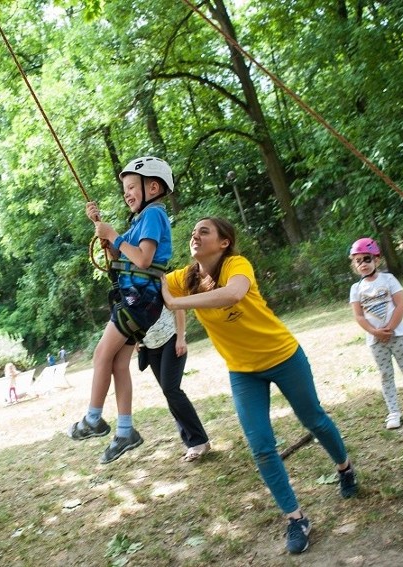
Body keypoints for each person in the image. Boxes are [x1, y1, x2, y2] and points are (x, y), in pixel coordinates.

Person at [161, 217, 357, 555]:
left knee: (314, 420)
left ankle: (344, 467)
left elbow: (233, 294)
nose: (195, 235)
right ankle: (296, 519)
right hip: (242, 372)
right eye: (193, 232)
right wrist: (115, 243)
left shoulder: (237, 264)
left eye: (204, 231)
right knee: (262, 447)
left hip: (283, 356)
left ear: (224, 242)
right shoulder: (185, 277)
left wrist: (176, 302)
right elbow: (149, 278)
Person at [67, 156, 174, 465]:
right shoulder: (139, 221)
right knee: (116, 363)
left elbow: (142, 260)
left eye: (131, 187)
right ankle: (126, 431)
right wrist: (103, 229)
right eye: (124, 189)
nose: (126, 193)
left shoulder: (153, 214)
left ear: (152, 187)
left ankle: (93, 419)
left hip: (140, 299)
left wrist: (113, 235)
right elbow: (120, 253)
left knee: (102, 354)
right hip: (138, 300)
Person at [348, 237, 403, 430]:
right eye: (358, 261)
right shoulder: (356, 289)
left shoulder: (388, 279)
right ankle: (393, 412)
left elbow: (400, 304)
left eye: (367, 259)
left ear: (377, 259)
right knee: (386, 374)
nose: (363, 264)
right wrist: (376, 332)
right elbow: (359, 316)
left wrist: (390, 328)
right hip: (376, 341)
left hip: (398, 335)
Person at [138, 307, 211, 462]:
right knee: (169, 393)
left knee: (170, 389)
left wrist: (180, 337)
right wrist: (136, 340)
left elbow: (178, 307)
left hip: (171, 339)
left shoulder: (158, 282)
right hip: (150, 346)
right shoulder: (125, 287)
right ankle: (192, 443)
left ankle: (199, 441)